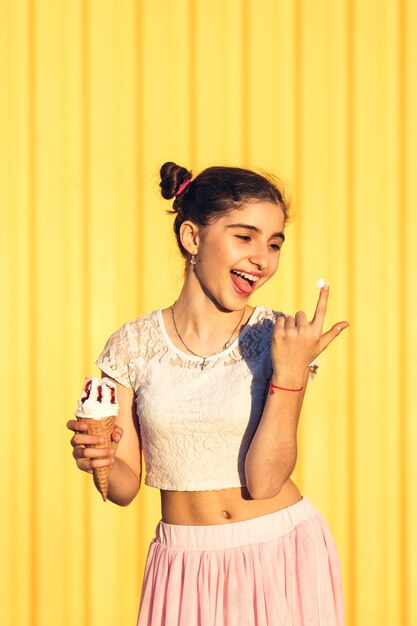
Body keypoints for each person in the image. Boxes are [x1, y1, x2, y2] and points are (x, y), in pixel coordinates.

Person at [67, 161, 349, 625]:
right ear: (192, 238)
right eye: (245, 236)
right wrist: (98, 458)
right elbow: (122, 489)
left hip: (279, 551)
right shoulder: (132, 345)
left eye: (274, 243)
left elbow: (265, 482)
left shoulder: (275, 338)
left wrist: (291, 374)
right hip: (183, 565)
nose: (264, 258)